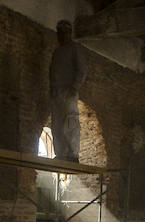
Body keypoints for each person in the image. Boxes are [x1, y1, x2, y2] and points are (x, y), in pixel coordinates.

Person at [49, 19, 86, 162]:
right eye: (59, 33)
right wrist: (52, 89)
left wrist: (75, 86)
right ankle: (61, 153)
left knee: (69, 122)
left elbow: (82, 69)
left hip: (68, 91)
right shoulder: (57, 52)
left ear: (69, 33)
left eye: (64, 32)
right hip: (56, 92)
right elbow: (52, 71)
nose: (61, 36)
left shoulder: (74, 48)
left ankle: (72, 153)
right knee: (57, 124)